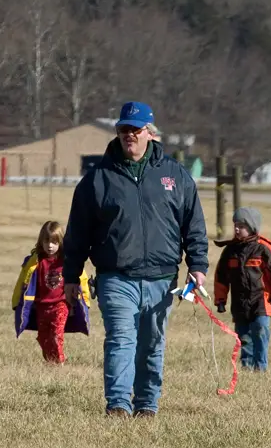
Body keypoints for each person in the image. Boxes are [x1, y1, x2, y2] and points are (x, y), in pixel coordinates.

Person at [62, 101, 209, 418]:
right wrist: (71, 277)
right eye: (124, 129)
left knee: (152, 345)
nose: (129, 135)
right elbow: (78, 234)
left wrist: (197, 266)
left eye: (136, 129)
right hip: (116, 276)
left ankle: (147, 405)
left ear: (150, 133)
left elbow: (193, 225)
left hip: (162, 278)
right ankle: (117, 404)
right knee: (121, 339)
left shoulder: (176, 176)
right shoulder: (97, 180)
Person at [213, 207, 271, 372]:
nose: (237, 229)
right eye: (235, 225)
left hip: (261, 302)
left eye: (241, 225)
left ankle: (260, 367)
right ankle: (246, 367)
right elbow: (221, 278)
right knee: (243, 336)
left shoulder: (263, 249)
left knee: (260, 331)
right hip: (239, 303)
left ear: (252, 227)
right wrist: (220, 300)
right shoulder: (230, 251)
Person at [11, 220, 91, 364]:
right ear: (41, 241)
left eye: (54, 242)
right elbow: (22, 282)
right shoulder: (35, 262)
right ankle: (51, 363)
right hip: (42, 306)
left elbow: (82, 279)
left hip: (61, 304)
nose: (50, 246)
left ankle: (59, 363)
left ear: (61, 242)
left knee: (56, 334)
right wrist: (17, 301)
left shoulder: (67, 262)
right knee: (43, 337)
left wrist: (84, 298)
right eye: (46, 241)